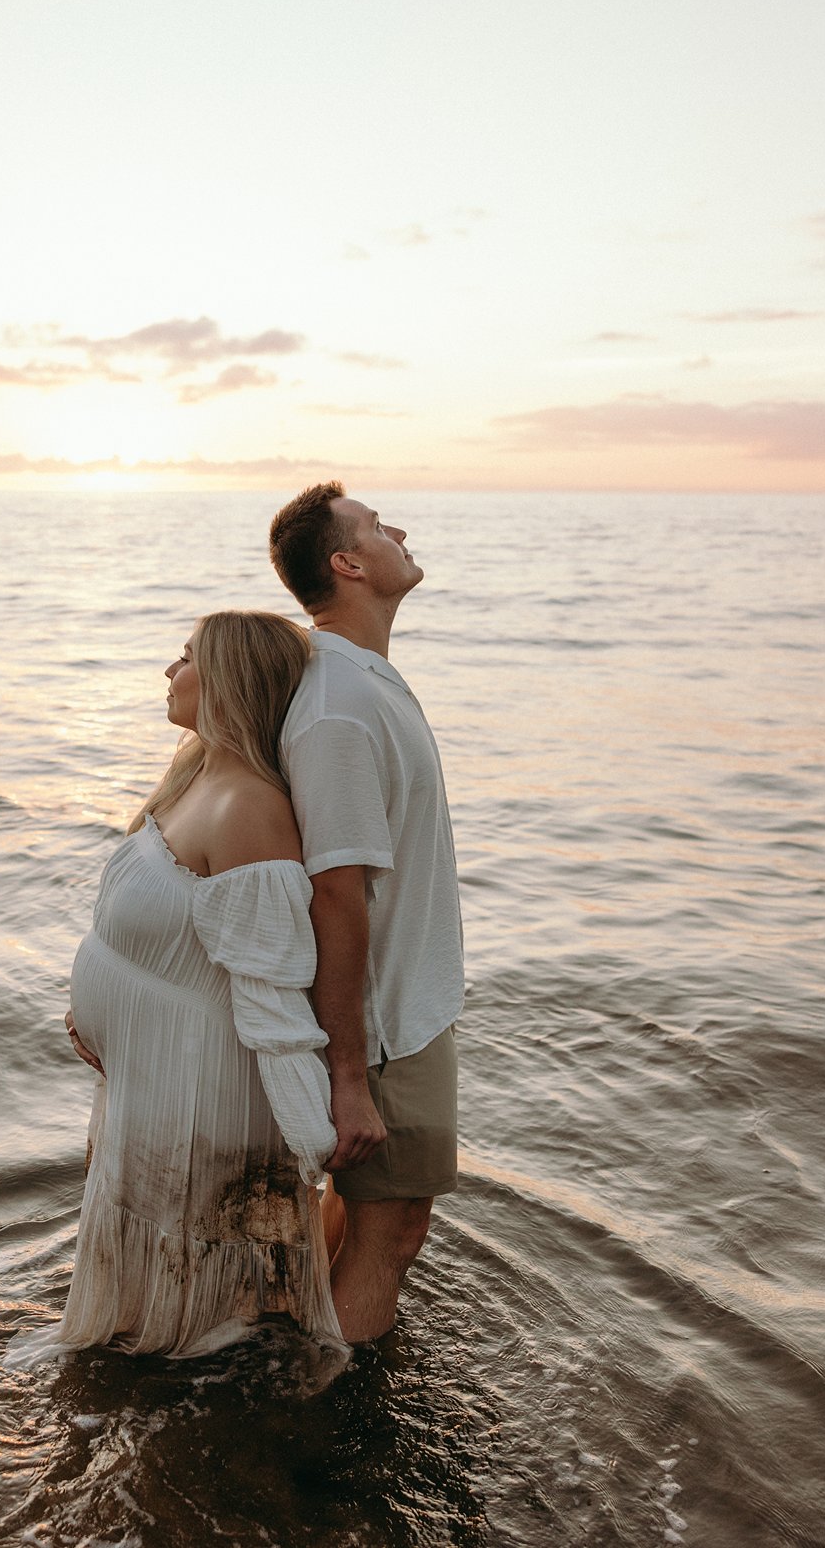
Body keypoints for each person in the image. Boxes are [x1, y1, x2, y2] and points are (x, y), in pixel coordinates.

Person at [6, 611, 344, 1365]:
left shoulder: (251, 806)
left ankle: (206, 1421)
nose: (169, 670)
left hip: (202, 1088)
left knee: (205, 1309)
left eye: (185, 658)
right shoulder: (194, 779)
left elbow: (274, 983)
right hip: (151, 1078)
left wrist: (318, 1127)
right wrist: (97, 1019)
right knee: (160, 1296)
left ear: (227, 680)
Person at [268, 483, 465, 1344]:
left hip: (404, 1013)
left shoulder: (357, 680)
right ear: (347, 563)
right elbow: (333, 891)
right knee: (394, 1229)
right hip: (383, 1027)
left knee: (357, 1224)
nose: (400, 530)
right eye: (379, 526)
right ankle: (331, 1426)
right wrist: (350, 1077)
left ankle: (291, 1358)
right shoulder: (339, 705)